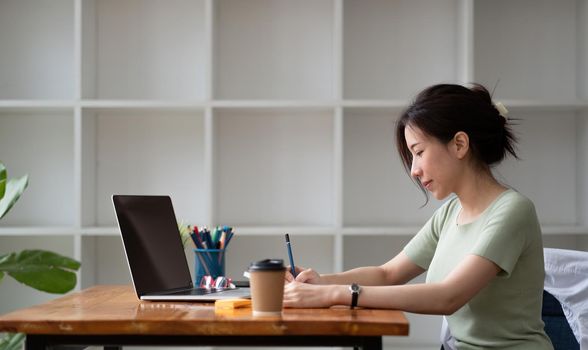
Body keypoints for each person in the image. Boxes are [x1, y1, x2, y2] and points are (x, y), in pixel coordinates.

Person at [283, 83, 554, 349]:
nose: (413, 170)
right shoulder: (450, 213)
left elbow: (448, 296)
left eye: (419, 152)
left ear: (459, 144)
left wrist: (334, 294)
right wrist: (320, 282)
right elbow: (388, 274)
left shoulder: (512, 210)